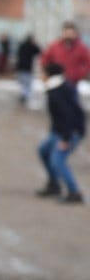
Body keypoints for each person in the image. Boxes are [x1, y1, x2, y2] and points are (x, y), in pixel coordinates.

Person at [36, 62, 85, 204]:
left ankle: (74, 192)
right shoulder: (58, 87)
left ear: (49, 75)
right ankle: (54, 185)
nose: (41, 76)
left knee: (58, 160)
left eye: (42, 73)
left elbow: (68, 115)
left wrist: (66, 138)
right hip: (59, 130)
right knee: (43, 151)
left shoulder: (58, 91)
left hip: (69, 131)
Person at [40, 21, 90, 86]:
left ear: (75, 34)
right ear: (63, 33)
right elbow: (44, 60)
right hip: (56, 82)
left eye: (71, 33)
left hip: (72, 82)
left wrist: (79, 74)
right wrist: (49, 73)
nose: (68, 36)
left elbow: (87, 62)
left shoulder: (81, 48)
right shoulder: (54, 46)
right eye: (66, 33)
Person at [15, 32, 42, 106]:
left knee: (23, 82)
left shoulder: (22, 45)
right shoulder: (31, 46)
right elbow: (39, 51)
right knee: (28, 83)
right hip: (27, 67)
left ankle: (24, 94)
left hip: (21, 67)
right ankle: (26, 95)